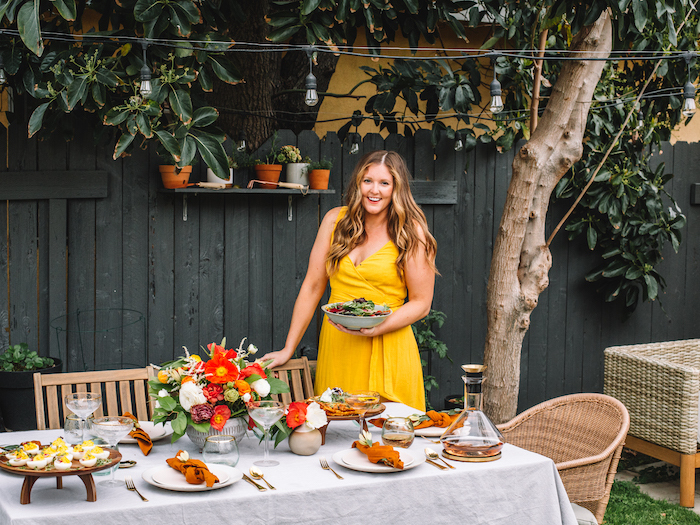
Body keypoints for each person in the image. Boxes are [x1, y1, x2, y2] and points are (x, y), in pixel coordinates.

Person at [262, 150, 438, 411]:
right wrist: (289, 348)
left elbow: (422, 303)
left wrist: (378, 328)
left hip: (388, 346)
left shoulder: (410, 231)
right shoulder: (335, 220)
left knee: (385, 440)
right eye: (367, 181)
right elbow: (312, 286)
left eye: (384, 183)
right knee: (335, 431)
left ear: (396, 188)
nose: (374, 190)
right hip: (339, 345)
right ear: (358, 183)